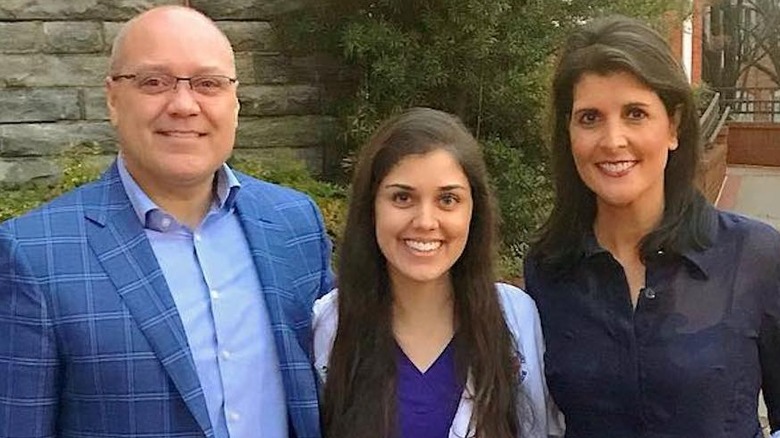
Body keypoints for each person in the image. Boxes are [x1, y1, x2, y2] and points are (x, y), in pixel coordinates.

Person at [0, 6, 332, 438]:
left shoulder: (294, 224)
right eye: (153, 82)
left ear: (235, 102)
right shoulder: (32, 255)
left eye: (208, 84)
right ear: (113, 99)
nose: (183, 105)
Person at [524, 15, 780, 438]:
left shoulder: (754, 256)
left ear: (673, 127)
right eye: (590, 118)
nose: (612, 139)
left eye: (635, 113)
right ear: (567, 133)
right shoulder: (548, 269)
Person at [312, 107, 563, 438]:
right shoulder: (328, 327)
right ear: (370, 207)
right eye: (402, 197)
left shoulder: (516, 318)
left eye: (448, 199)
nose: (426, 222)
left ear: (474, 211)